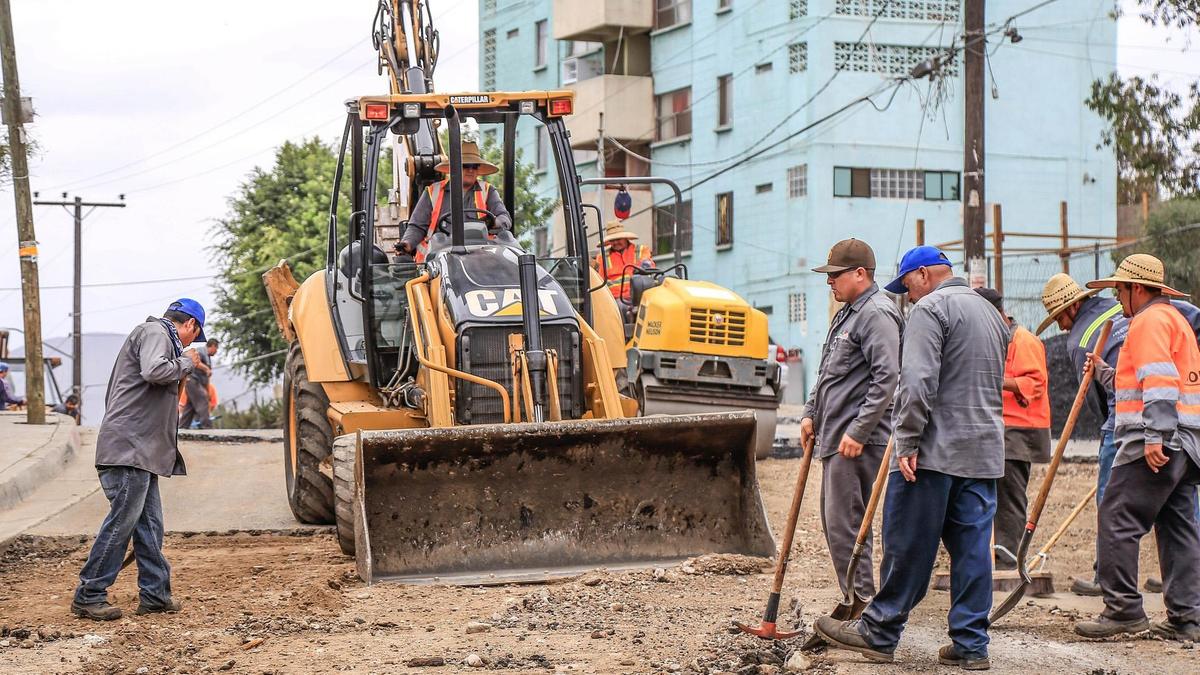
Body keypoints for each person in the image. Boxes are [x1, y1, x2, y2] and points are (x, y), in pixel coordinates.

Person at [814, 246, 1008, 670]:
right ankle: (972, 645)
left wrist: (908, 442)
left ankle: (879, 632)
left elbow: (917, 383)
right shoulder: (992, 314)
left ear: (923, 276)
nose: (909, 296)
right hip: (984, 453)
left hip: (933, 453)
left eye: (908, 287)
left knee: (907, 545)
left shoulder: (931, 310)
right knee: (973, 550)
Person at [1074, 254, 1200, 641]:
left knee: (1116, 515)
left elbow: (1159, 381)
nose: (1116, 296)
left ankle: (1124, 610)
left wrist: (1154, 436)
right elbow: (1144, 385)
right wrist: (1106, 374)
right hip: (1186, 441)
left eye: (1120, 289)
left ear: (1138, 289)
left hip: (1160, 439)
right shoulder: (1174, 320)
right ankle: (1187, 618)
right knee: (1177, 524)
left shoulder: (1146, 322)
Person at [71, 298, 207, 621]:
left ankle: (156, 594)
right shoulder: (155, 331)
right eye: (194, 337)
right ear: (190, 325)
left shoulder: (154, 336)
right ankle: (89, 594)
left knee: (149, 526)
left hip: (139, 453)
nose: (191, 345)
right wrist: (187, 362)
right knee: (122, 524)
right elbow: (155, 370)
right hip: (128, 452)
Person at [800, 239, 901, 603]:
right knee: (835, 525)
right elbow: (828, 370)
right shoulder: (847, 313)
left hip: (857, 441)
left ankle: (862, 606)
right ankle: (853, 602)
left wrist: (859, 430)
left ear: (860, 274)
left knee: (848, 527)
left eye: (835, 275)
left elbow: (887, 377)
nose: (830, 282)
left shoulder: (876, 313)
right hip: (834, 435)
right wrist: (810, 412)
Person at [976, 288, 1051, 570]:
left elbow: (1034, 383)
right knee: (996, 491)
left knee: (1009, 494)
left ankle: (1008, 558)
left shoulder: (1024, 341)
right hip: (1002, 426)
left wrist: (991, 379)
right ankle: (997, 552)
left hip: (1021, 429)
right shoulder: (998, 339)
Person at [392, 141, 512, 262]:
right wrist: (407, 243)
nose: (470, 170)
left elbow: (505, 218)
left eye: (474, 166)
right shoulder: (433, 191)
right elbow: (417, 226)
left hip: (480, 260)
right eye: (465, 166)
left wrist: (494, 222)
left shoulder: (488, 191)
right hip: (439, 260)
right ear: (453, 167)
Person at [593, 220, 655, 307]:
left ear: (625, 238)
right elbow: (599, 283)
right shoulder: (602, 257)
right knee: (621, 307)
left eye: (618, 239)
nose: (615, 243)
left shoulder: (641, 250)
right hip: (616, 300)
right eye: (612, 240)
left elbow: (648, 266)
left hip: (641, 296)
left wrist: (645, 265)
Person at [179, 338, 218, 429]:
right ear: (212, 346)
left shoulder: (207, 357)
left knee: (190, 408)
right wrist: (206, 369)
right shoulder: (201, 351)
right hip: (192, 381)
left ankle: (182, 429)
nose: (216, 352)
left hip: (197, 383)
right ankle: (207, 428)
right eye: (216, 349)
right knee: (203, 399)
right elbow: (195, 362)